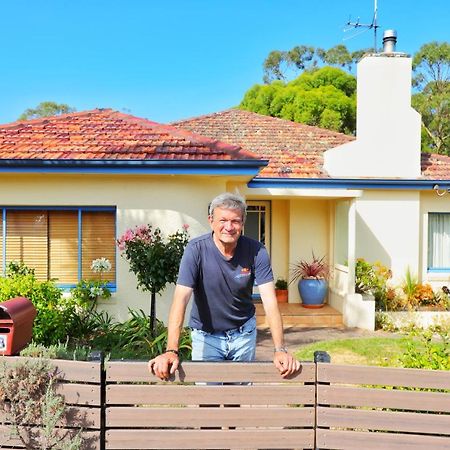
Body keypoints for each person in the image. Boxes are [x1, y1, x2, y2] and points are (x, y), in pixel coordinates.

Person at [149, 192, 301, 380]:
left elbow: (270, 303)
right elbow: (181, 300)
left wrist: (280, 349)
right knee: (207, 401)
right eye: (223, 220)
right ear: (211, 220)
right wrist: (172, 350)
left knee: (236, 399)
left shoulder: (257, 251)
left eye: (235, 221)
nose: (229, 227)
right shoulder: (195, 250)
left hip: (243, 335)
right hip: (206, 337)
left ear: (243, 223)